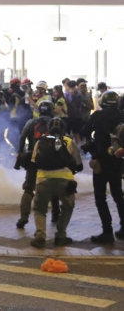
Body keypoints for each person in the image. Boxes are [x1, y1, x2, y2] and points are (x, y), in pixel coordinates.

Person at [29, 118, 82, 248]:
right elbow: (79, 164)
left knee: (40, 209)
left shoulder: (40, 142)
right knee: (67, 207)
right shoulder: (69, 142)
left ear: (48, 128)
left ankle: (40, 237)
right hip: (65, 182)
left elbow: (33, 162)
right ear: (64, 129)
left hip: (43, 180)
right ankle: (61, 236)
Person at [82, 90, 124, 243]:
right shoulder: (122, 116)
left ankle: (107, 232)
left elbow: (85, 131)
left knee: (100, 197)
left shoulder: (97, 116)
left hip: (100, 161)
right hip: (117, 161)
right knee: (118, 195)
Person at [15, 100, 61, 228]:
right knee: (53, 186)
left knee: (29, 188)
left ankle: (23, 217)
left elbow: (22, 137)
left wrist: (20, 152)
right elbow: (62, 140)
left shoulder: (31, 122)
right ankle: (56, 214)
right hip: (51, 160)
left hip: (32, 158)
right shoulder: (55, 123)